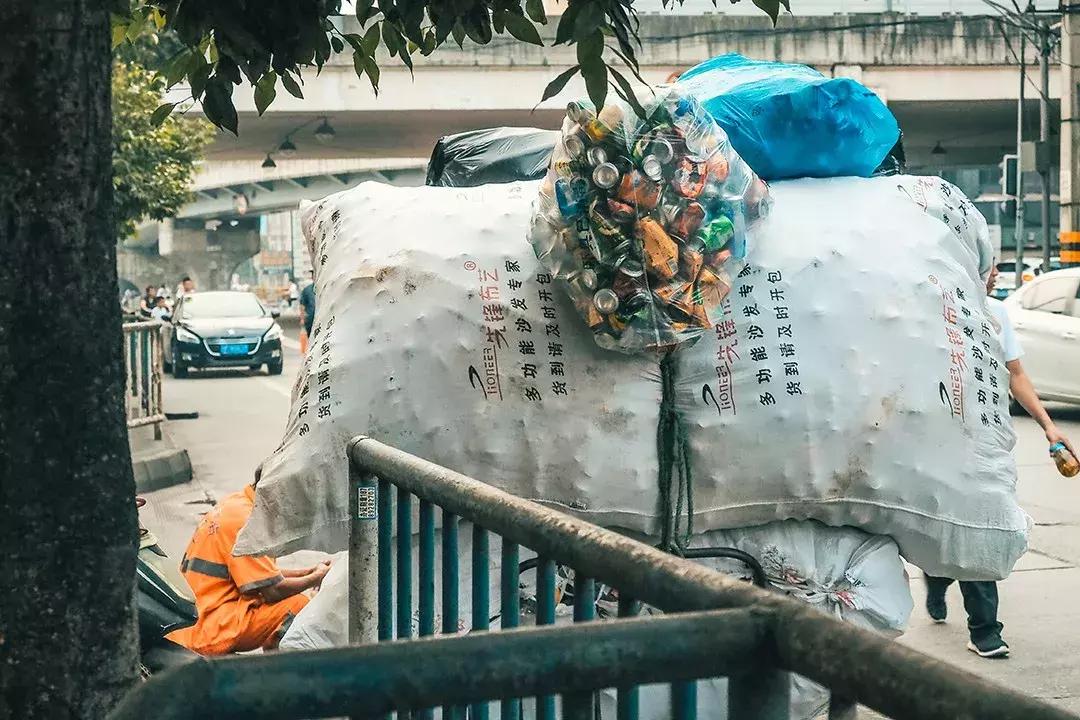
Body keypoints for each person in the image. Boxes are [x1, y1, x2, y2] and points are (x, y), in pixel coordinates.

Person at [924, 262, 1076, 659]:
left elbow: (1016, 373)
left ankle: (983, 627)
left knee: (983, 523)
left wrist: (1048, 426)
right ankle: (939, 578)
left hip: (987, 439)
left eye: (992, 265)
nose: (993, 273)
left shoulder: (998, 312)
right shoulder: (929, 307)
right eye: (984, 264)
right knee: (954, 528)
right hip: (940, 438)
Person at [167, 467, 331, 655]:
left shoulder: (237, 504)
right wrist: (316, 578)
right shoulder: (249, 524)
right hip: (210, 628)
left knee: (294, 598)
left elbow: (263, 576)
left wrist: (308, 572)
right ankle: (277, 669)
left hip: (196, 617)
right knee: (301, 604)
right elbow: (272, 591)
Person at [299, 271, 316, 337]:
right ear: (312, 277)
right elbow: (302, 306)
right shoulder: (307, 290)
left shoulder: (324, 289)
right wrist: (302, 319)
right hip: (310, 320)